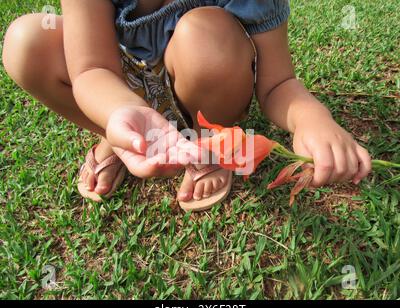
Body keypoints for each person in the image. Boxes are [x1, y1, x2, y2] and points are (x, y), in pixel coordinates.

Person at [2, 0, 371, 211]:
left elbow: (278, 84)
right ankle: (125, 135)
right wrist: (117, 111)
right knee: (26, 42)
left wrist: (312, 119)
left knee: (204, 36)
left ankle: (209, 143)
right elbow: (92, 69)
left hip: (208, 88)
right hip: (124, 85)